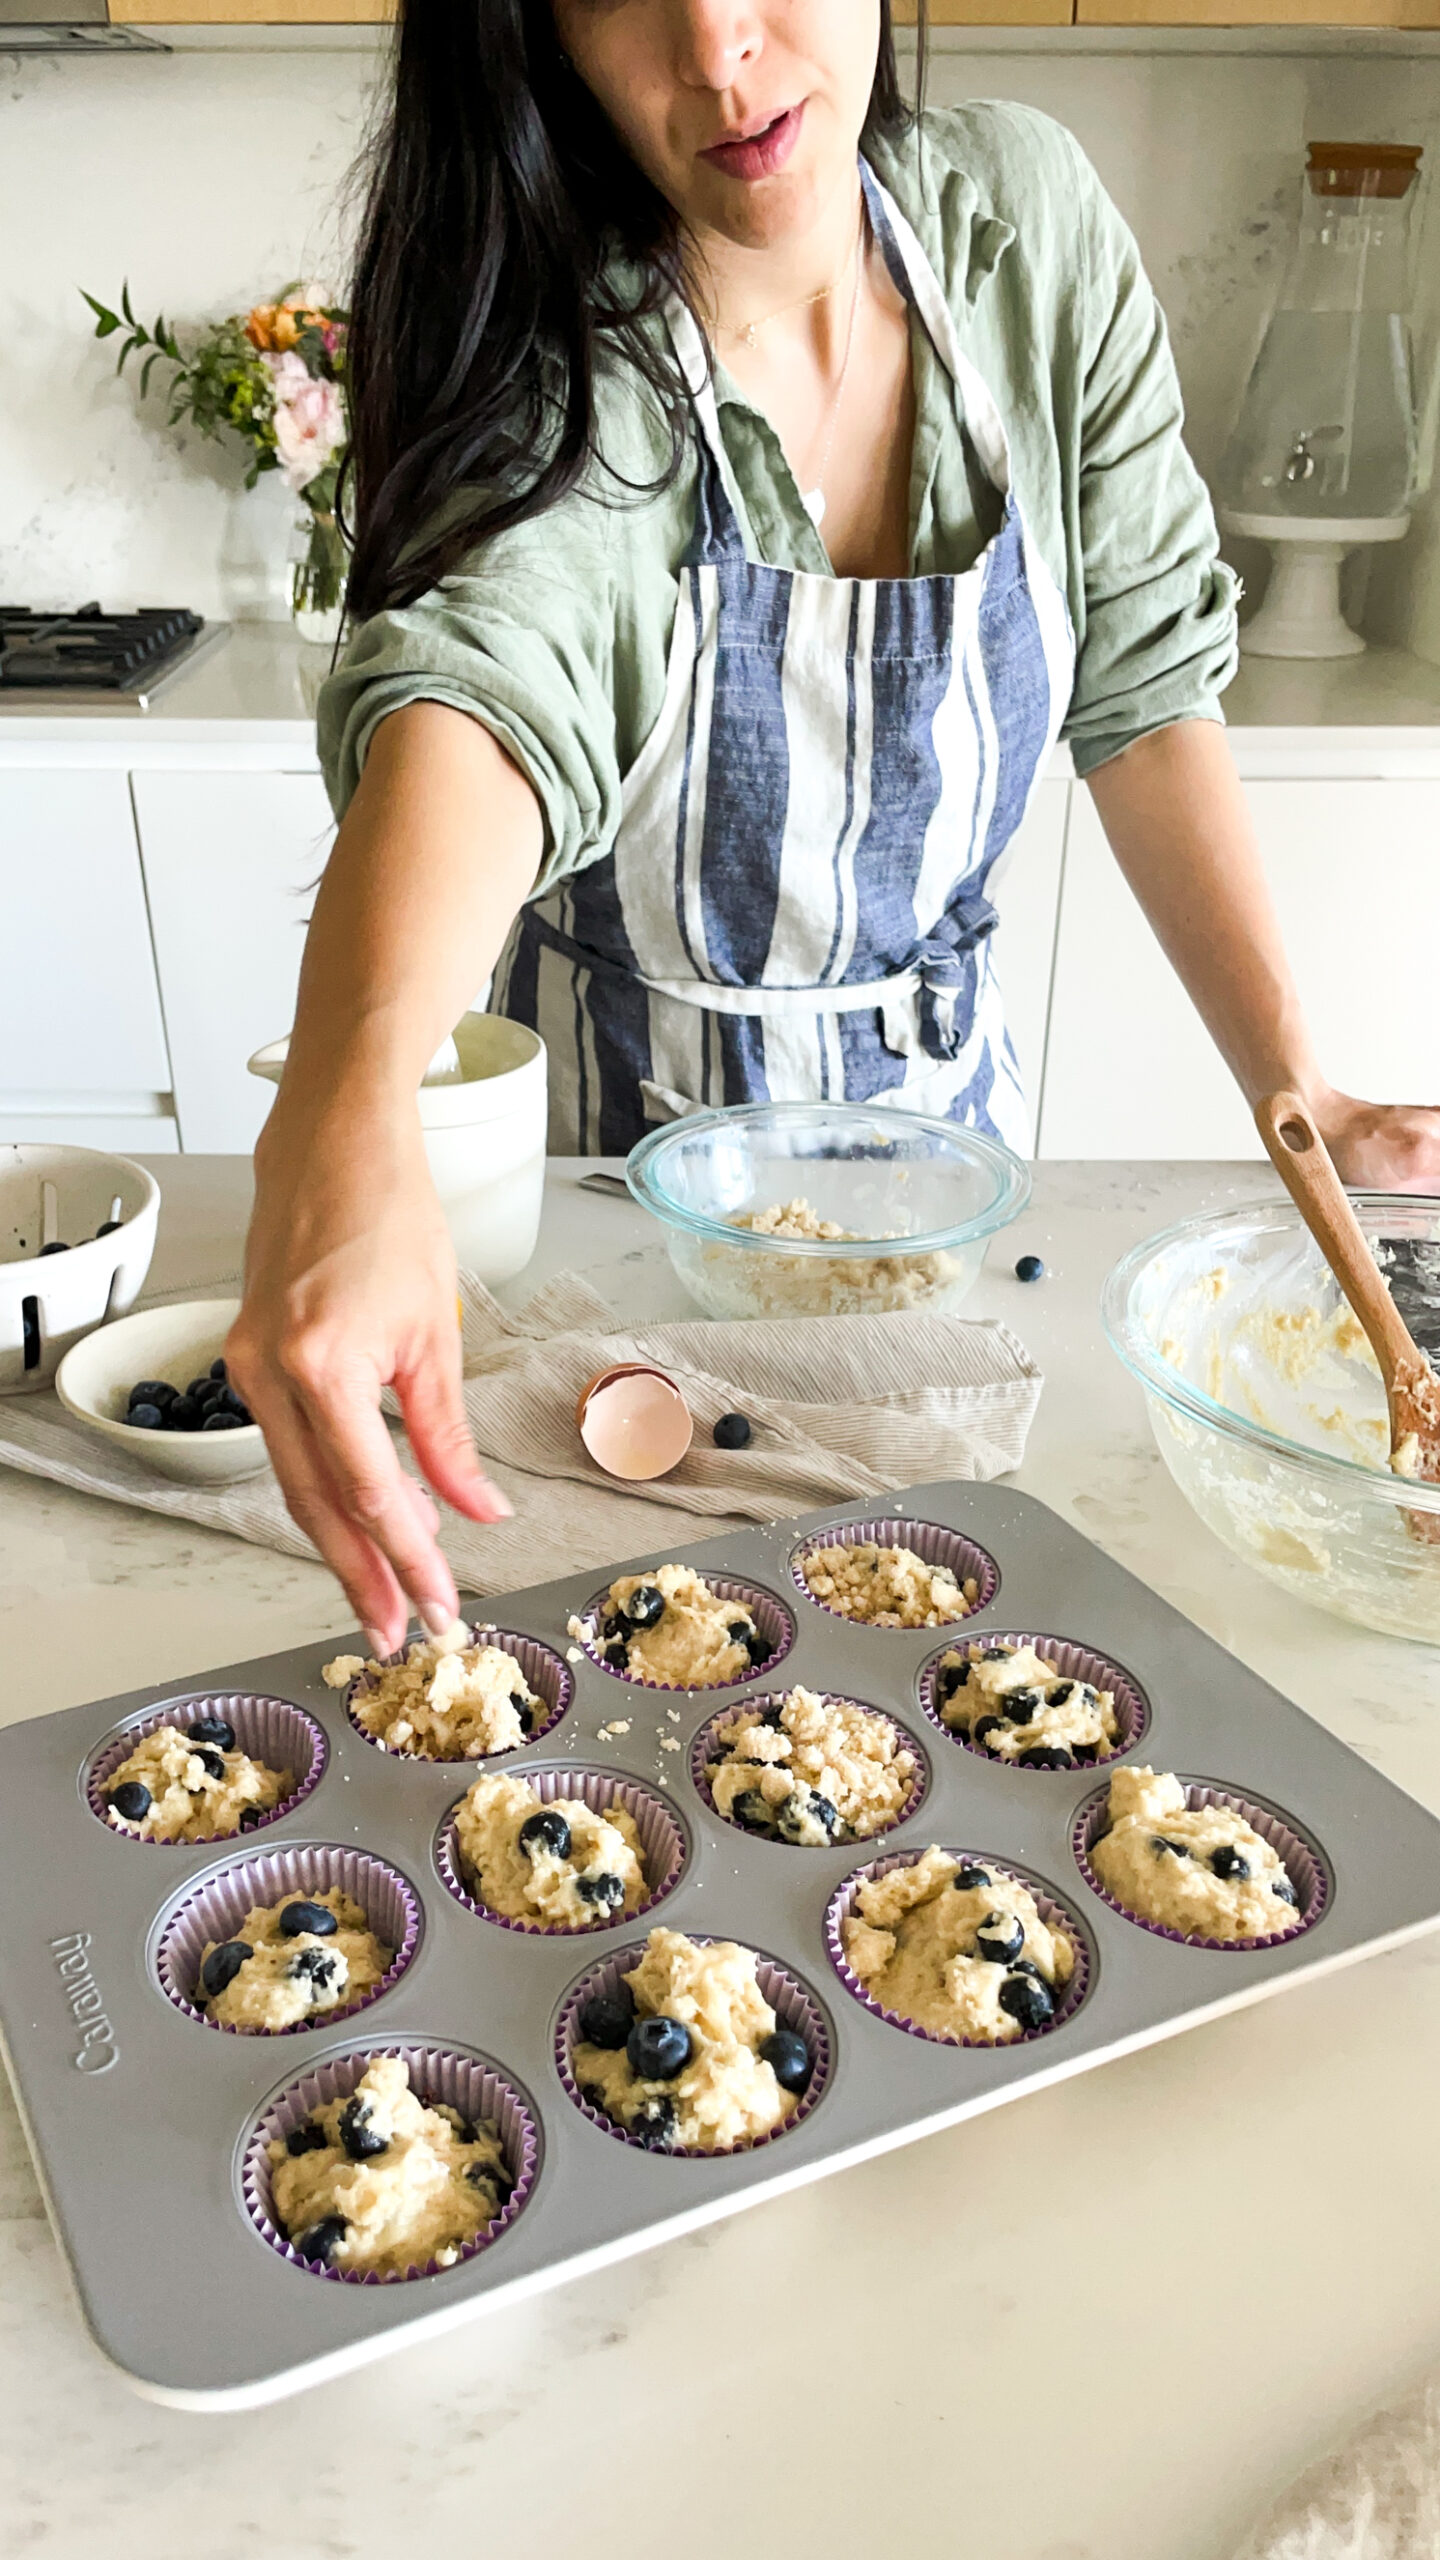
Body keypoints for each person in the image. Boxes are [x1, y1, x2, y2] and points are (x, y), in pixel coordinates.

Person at [228, 0, 1440, 1659]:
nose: (719, 49)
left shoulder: (1025, 231)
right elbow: (486, 698)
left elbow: (1147, 691)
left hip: (947, 1183)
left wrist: (1306, 1095)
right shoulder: (564, 347)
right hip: (621, 1207)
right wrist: (347, 1102)